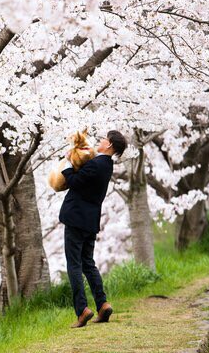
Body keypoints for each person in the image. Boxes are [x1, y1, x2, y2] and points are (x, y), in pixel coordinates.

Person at [59, 130, 127, 328]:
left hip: (76, 218)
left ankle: (82, 310)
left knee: (74, 265)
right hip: (90, 221)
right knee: (88, 263)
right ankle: (102, 304)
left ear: (110, 145)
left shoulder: (97, 164)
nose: (101, 140)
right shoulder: (106, 165)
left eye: (104, 139)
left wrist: (69, 164)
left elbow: (73, 181)